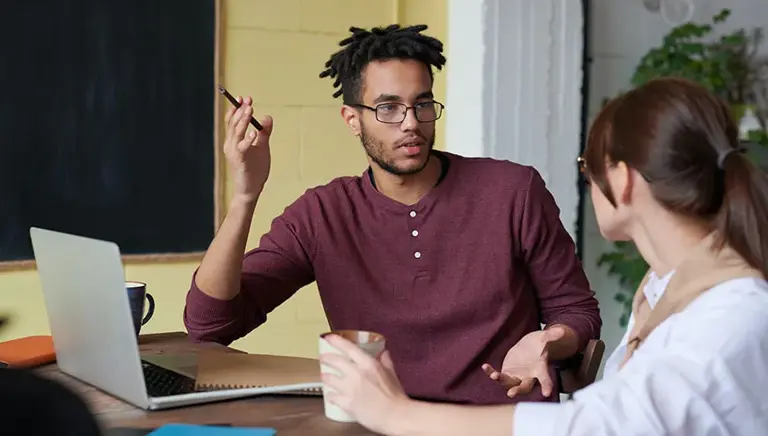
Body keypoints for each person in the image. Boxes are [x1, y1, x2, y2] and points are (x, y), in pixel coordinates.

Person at [318, 76, 768, 435]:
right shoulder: (664, 288)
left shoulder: (730, 313)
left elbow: (601, 425)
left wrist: (397, 415)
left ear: (623, 181)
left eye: (586, 168)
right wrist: (547, 341)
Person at [183, 24, 601, 405]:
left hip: (498, 423)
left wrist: (547, 342)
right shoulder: (321, 214)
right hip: (380, 423)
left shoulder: (513, 191)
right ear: (352, 119)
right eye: (388, 108)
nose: (410, 124)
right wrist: (244, 196)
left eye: (422, 105)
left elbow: (578, 311)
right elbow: (211, 324)